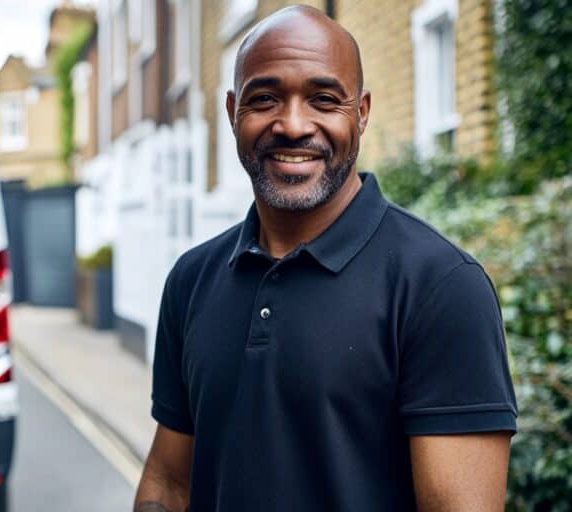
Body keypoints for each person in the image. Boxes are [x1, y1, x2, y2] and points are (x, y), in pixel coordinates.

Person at [134, 5, 517, 511]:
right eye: (265, 98)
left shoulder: (441, 286)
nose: (293, 125)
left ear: (360, 113)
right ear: (232, 113)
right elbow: (168, 484)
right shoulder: (191, 280)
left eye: (323, 99)